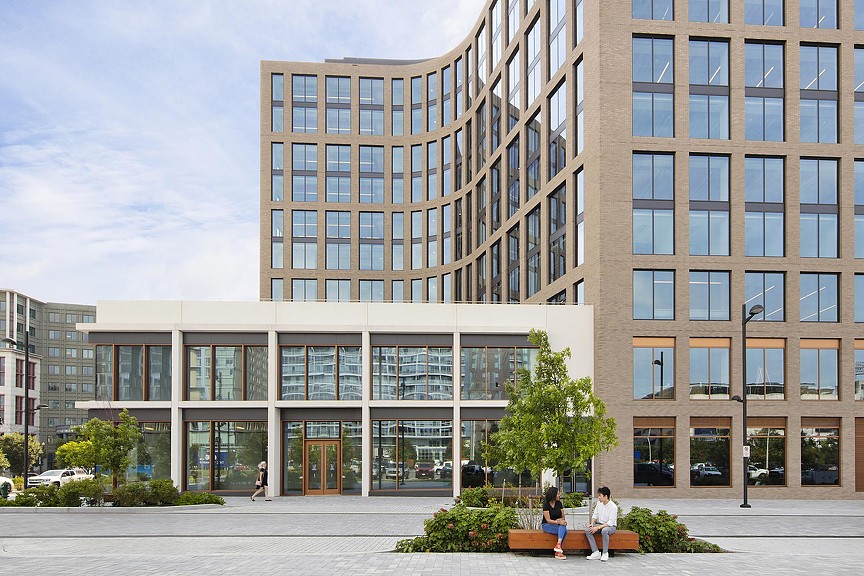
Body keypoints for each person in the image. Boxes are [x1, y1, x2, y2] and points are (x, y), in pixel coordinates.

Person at [585, 485, 618, 561]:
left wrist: (598, 527)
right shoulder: (599, 503)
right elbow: (595, 514)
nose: (598, 497)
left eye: (600, 495)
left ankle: (605, 553)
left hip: (610, 527)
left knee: (604, 530)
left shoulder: (613, 507)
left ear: (606, 496)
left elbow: (611, 522)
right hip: (600, 524)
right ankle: (596, 552)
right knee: (588, 530)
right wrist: (592, 524)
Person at [541, 486, 568, 560]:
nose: (559, 495)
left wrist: (561, 521)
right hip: (547, 525)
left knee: (563, 527)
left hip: (557, 525)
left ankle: (558, 546)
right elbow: (548, 520)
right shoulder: (546, 505)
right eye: (558, 494)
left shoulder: (559, 504)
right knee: (564, 529)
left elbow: (563, 517)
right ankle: (558, 551)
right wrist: (557, 521)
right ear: (553, 495)